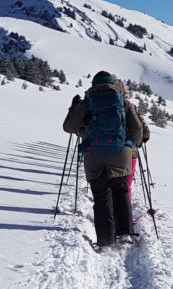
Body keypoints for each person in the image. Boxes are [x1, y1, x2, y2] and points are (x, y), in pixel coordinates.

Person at [63, 70, 150, 249]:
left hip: (94, 155)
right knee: (121, 192)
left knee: (101, 196)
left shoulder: (87, 103)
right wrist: (131, 143)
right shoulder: (123, 102)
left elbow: (68, 127)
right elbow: (138, 129)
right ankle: (125, 234)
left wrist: (75, 110)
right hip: (120, 154)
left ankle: (105, 241)